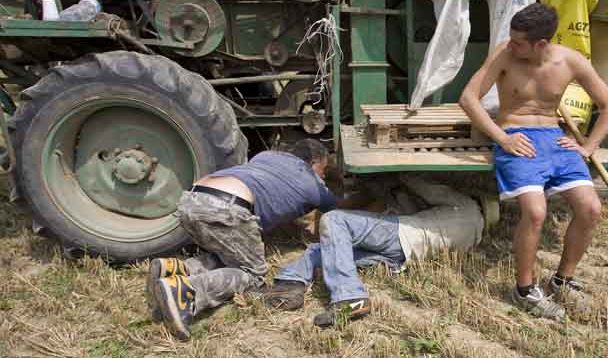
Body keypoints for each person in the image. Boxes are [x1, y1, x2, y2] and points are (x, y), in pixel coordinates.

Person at [459, 2, 608, 322]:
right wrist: (502, 139)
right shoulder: (505, 55)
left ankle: (562, 279)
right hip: (516, 138)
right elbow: (468, 98)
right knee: (535, 212)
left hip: (556, 140)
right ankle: (525, 290)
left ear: (541, 44)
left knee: (591, 209)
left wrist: (589, 146)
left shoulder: (570, 61)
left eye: (518, 41)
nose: (510, 44)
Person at [148, 139, 338, 340]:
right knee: (252, 275)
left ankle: (174, 269)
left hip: (192, 200)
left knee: (231, 257)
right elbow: (338, 215)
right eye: (323, 169)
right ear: (313, 163)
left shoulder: (266, 156)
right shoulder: (312, 183)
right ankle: (186, 293)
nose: (323, 175)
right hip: (226, 208)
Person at [258, 176, 486, 327]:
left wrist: (399, 172)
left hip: (401, 235)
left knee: (335, 220)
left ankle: (349, 297)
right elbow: (423, 221)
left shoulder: (466, 205)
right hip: (402, 258)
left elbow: (428, 189)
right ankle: (291, 283)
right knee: (332, 249)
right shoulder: (475, 234)